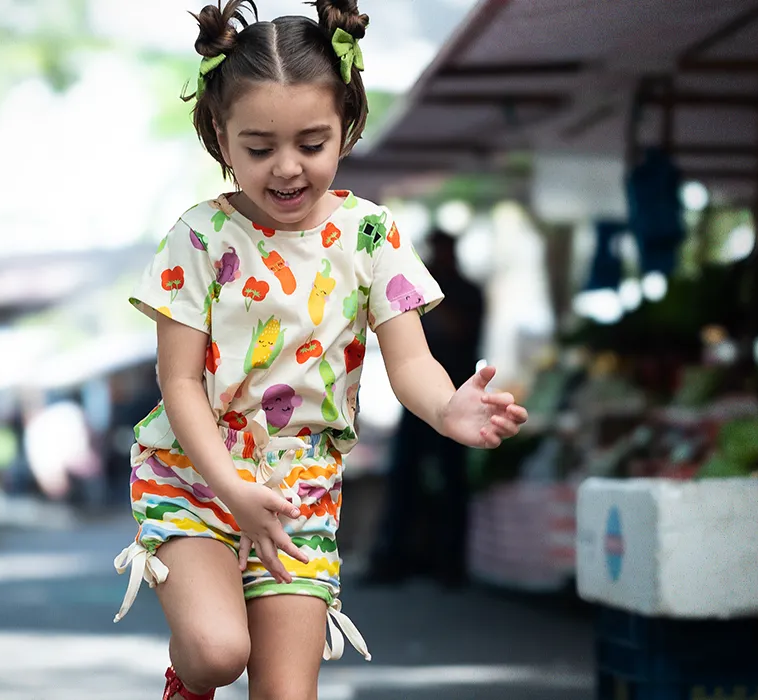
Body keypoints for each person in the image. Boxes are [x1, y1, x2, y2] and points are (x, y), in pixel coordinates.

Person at [108, 3, 530, 698]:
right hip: (194, 474)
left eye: (311, 143)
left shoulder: (371, 236)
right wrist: (230, 487)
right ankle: (186, 681)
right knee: (216, 654)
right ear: (221, 133)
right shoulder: (198, 236)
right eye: (259, 146)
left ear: (348, 125)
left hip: (301, 491)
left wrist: (447, 408)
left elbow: (413, 363)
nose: (286, 169)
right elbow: (178, 382)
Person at [362, 232, 486, 589]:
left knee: (452, 483)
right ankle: (393, 557)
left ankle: (450, 564)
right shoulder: (422, 286)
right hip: (418, 400)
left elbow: (459, 331)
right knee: (404, 478)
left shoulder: (462, 292)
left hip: (457, 393)